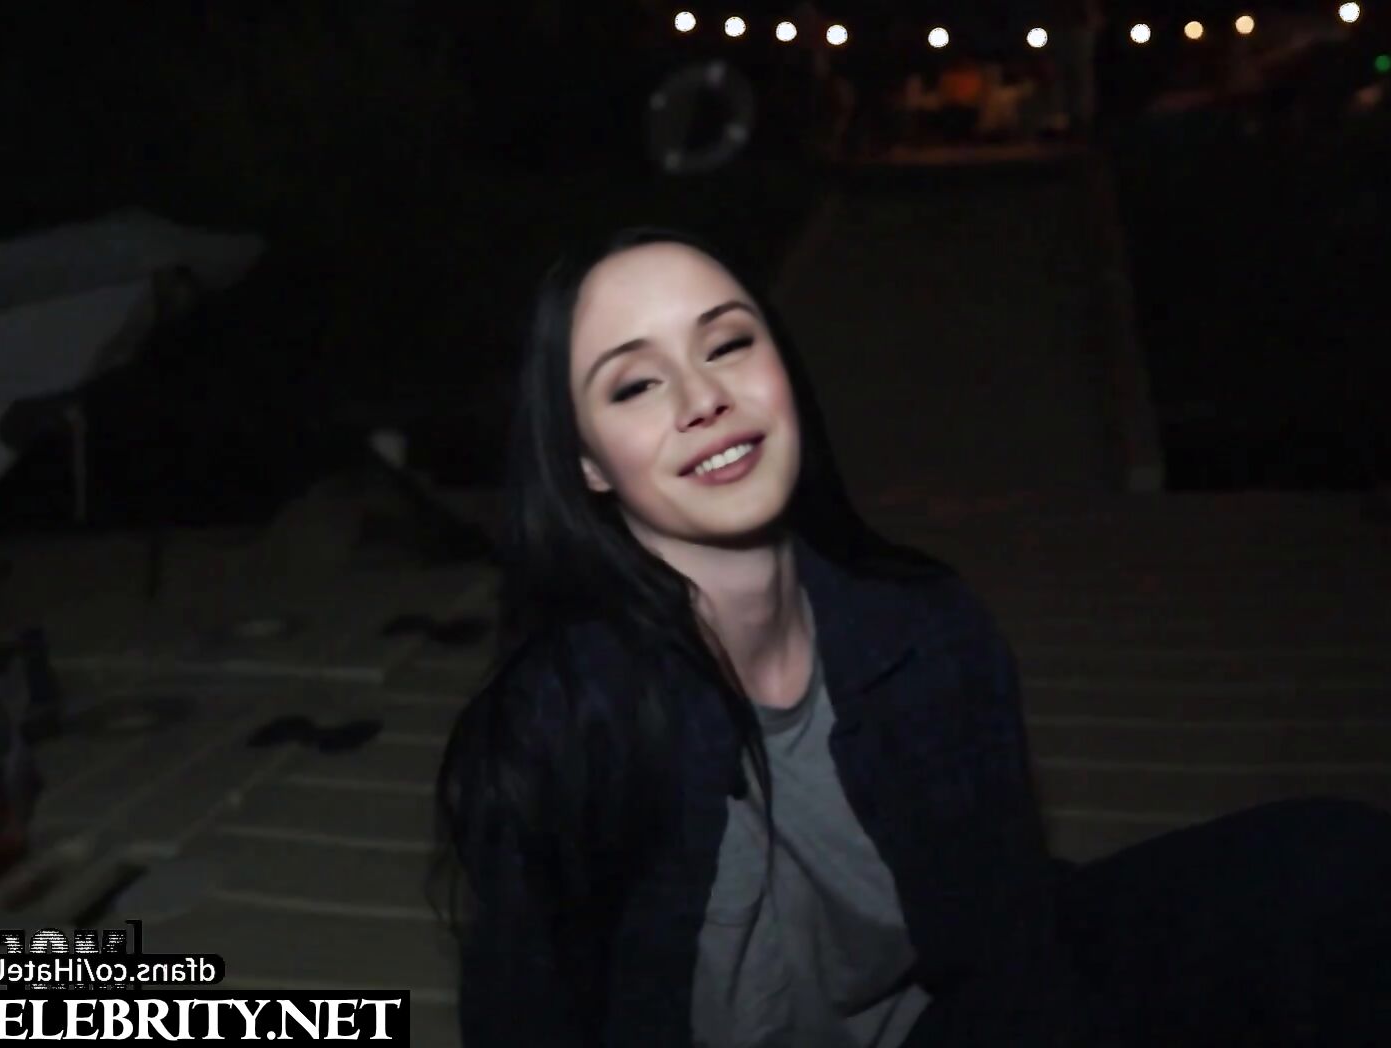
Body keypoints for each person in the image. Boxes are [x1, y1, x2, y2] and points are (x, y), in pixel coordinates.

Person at [429, 228, 1391, 1046]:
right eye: (636, 385)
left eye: (728, 344)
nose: (702, 398)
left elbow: (1011, 954)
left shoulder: (927, 630)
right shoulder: (559, 728)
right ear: (588, 465)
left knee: (1331, 865)